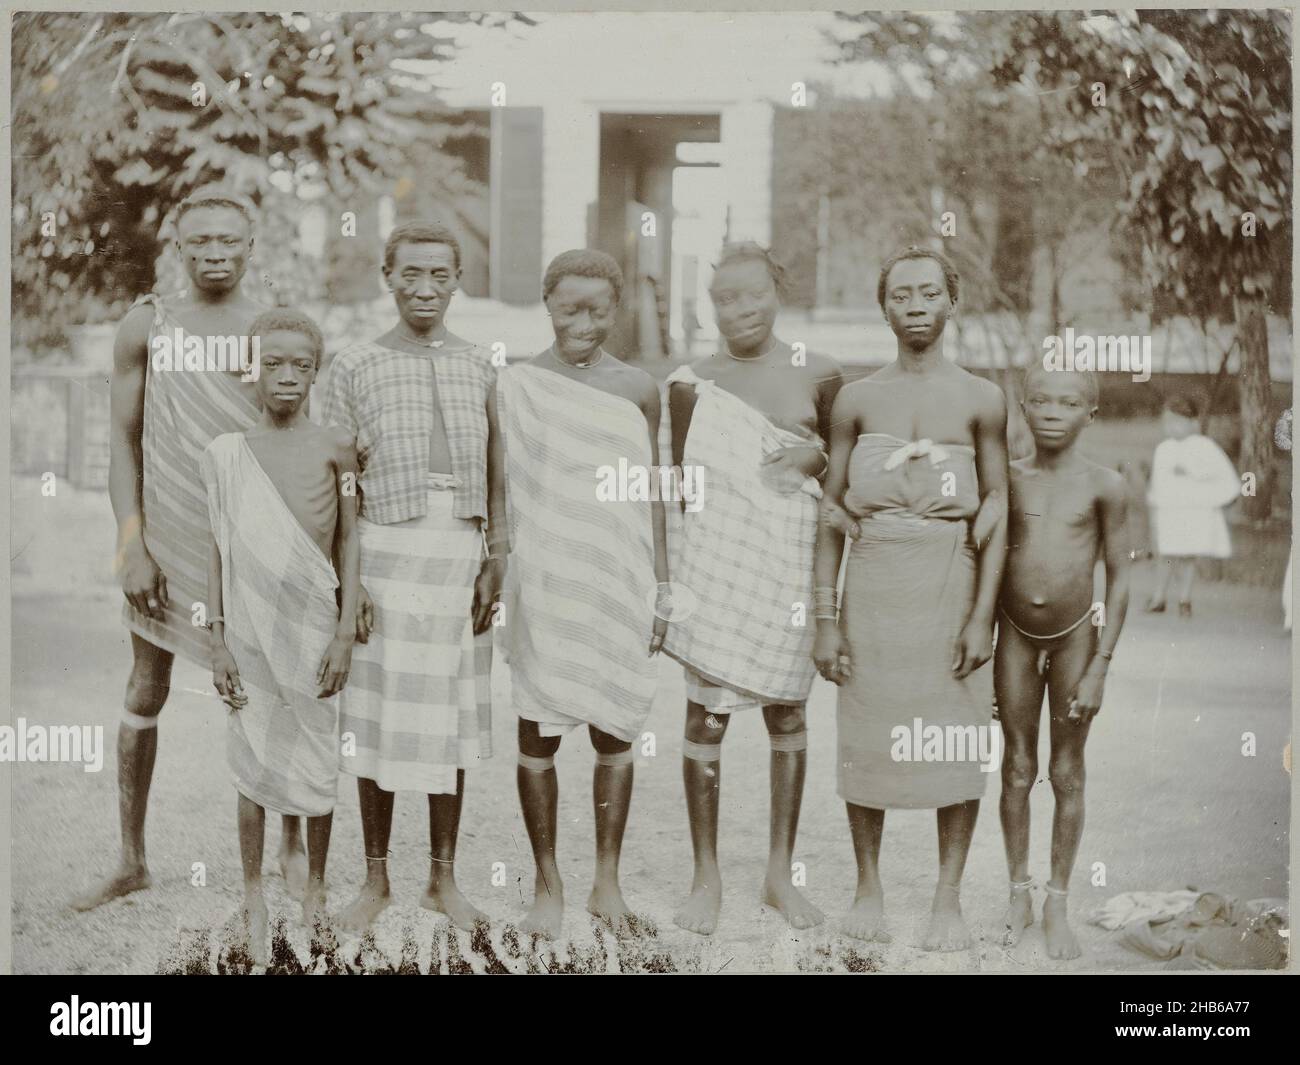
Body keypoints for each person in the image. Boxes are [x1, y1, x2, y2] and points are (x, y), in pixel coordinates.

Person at [73, 186, 312, 911]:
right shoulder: (148, 324)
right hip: (169, 535)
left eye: (229, 241)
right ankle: (130, 857)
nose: (215, 253)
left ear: (251, 246)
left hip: (253, 532)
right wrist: (131, 544)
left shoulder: (274, 327)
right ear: (178, 247)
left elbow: (298, 440)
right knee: (147, 683)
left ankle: (293, 847)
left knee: (274, 686)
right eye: (200, 241)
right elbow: (120, 440)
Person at [812, 245, 1008, 951]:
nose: (916, 306)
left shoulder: (983, 397)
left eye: (930, 293)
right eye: (902, 295)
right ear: (884, 305)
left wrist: (983, 613)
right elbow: (831, 511)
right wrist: (825, 620)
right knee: (867, 734)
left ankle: (946, 897)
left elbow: (997, 507)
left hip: (950, 585)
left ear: (953, 301)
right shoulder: (857, 400)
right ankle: (869, 886)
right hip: (873, 587)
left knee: (955, 736)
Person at [320, 220, 505, 932]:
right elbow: (338, 483)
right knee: (379, 715)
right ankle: (374, 879)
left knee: (448, 716)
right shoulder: (355, 364)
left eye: (439, 275)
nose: (424, 289)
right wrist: (350, 579)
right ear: (387, 278)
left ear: (457, 282)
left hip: (458, 550)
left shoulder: (481, 365)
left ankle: (444, 877)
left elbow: (499, 475)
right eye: (411, 274)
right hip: (381, 551)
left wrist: (497, 559)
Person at [665, 242, 843, 935]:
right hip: (717, 567)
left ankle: (778, 873)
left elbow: (843, 467)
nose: (739, 309)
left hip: (789, 567)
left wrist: (818, 453)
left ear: (779, 290)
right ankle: (705, 876)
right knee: (705, 716)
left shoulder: (821, 373)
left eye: (752, 294)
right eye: (724, 299)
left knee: (788, 714)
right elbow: (682, 492)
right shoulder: (690, 384)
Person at [499, 249, 669, 938]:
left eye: (599, 310)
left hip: (619, 574)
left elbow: (654, 490)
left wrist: (661, 583)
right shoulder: (515, 384)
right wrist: (505, 570)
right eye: (571, 308)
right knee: (537, 728)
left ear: (616, 309)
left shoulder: (638, 388)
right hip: (545, 573)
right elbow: (500, 488)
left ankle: (606, 878)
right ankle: (547, 880)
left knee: (615, 726)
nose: (584, 322)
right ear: (547, 304)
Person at [201, 309, 360, 964]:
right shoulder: (224, 454)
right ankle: (253, 889)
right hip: (248, 627)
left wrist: (347, 626)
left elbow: (351, 535)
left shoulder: (337, 448)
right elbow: (217, 551)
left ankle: (316, 888)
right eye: (274, 363)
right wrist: (216, 637)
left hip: (317, 625)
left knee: (318, 749)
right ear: (252, 370)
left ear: (316, 371)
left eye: (301, 364)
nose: (288, 376)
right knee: (252, 755)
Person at [996, 365, 1130, 960]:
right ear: (1023, 408)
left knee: (1068, 768)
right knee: (1018, 769)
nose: (1053, 411)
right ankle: (1017, 891)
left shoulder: (1105, 485)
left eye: (1068, 402)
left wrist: (1101, 664)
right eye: (1041, 401)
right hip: (1015, 636)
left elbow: (1122, 575)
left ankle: (1057, 901)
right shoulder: (1005, 478)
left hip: (1077, 637)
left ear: (1090, 413)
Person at [1145, 394, 1239, 617]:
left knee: (1187, 555)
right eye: (1168, 423)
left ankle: (1184, 598)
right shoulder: (1164, 449)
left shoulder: (1204, 446)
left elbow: (1222, 474)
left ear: (1192, 423)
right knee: (1166, 553)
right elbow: (1157, 482)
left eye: (1178, 422)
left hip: (1192, 510)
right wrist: (1154, 507)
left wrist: (1192, 472)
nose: (1172, 428)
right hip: (1170, 509)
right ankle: (1159, 597)